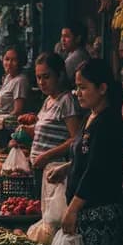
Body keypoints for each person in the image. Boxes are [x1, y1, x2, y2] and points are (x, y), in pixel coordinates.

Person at [48, 59, 123, 245]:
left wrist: (72, 209)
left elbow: (96, 170)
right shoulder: (91, 116)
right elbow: (85, 156)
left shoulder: (109, 122)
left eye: (83, 88)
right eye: (76, 88)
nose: (78, 93)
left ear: (102, 88)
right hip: (86, 211)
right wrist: (67, 168)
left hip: (99, 215)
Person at [25, 53, 81, 188]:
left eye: (46, 77)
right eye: (38, 78)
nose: (41, 82)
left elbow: (76, 138)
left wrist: (47, 156)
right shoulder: (48, 100)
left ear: (59, 75)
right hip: (41, 170)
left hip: (55, 172)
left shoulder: (66, 101)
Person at [0, 44, 30, 116]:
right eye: (7, 59)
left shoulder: (20, 81)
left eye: (14, 60)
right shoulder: (8, 77)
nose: (9, 63)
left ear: (20, 62)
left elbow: (17, 111)